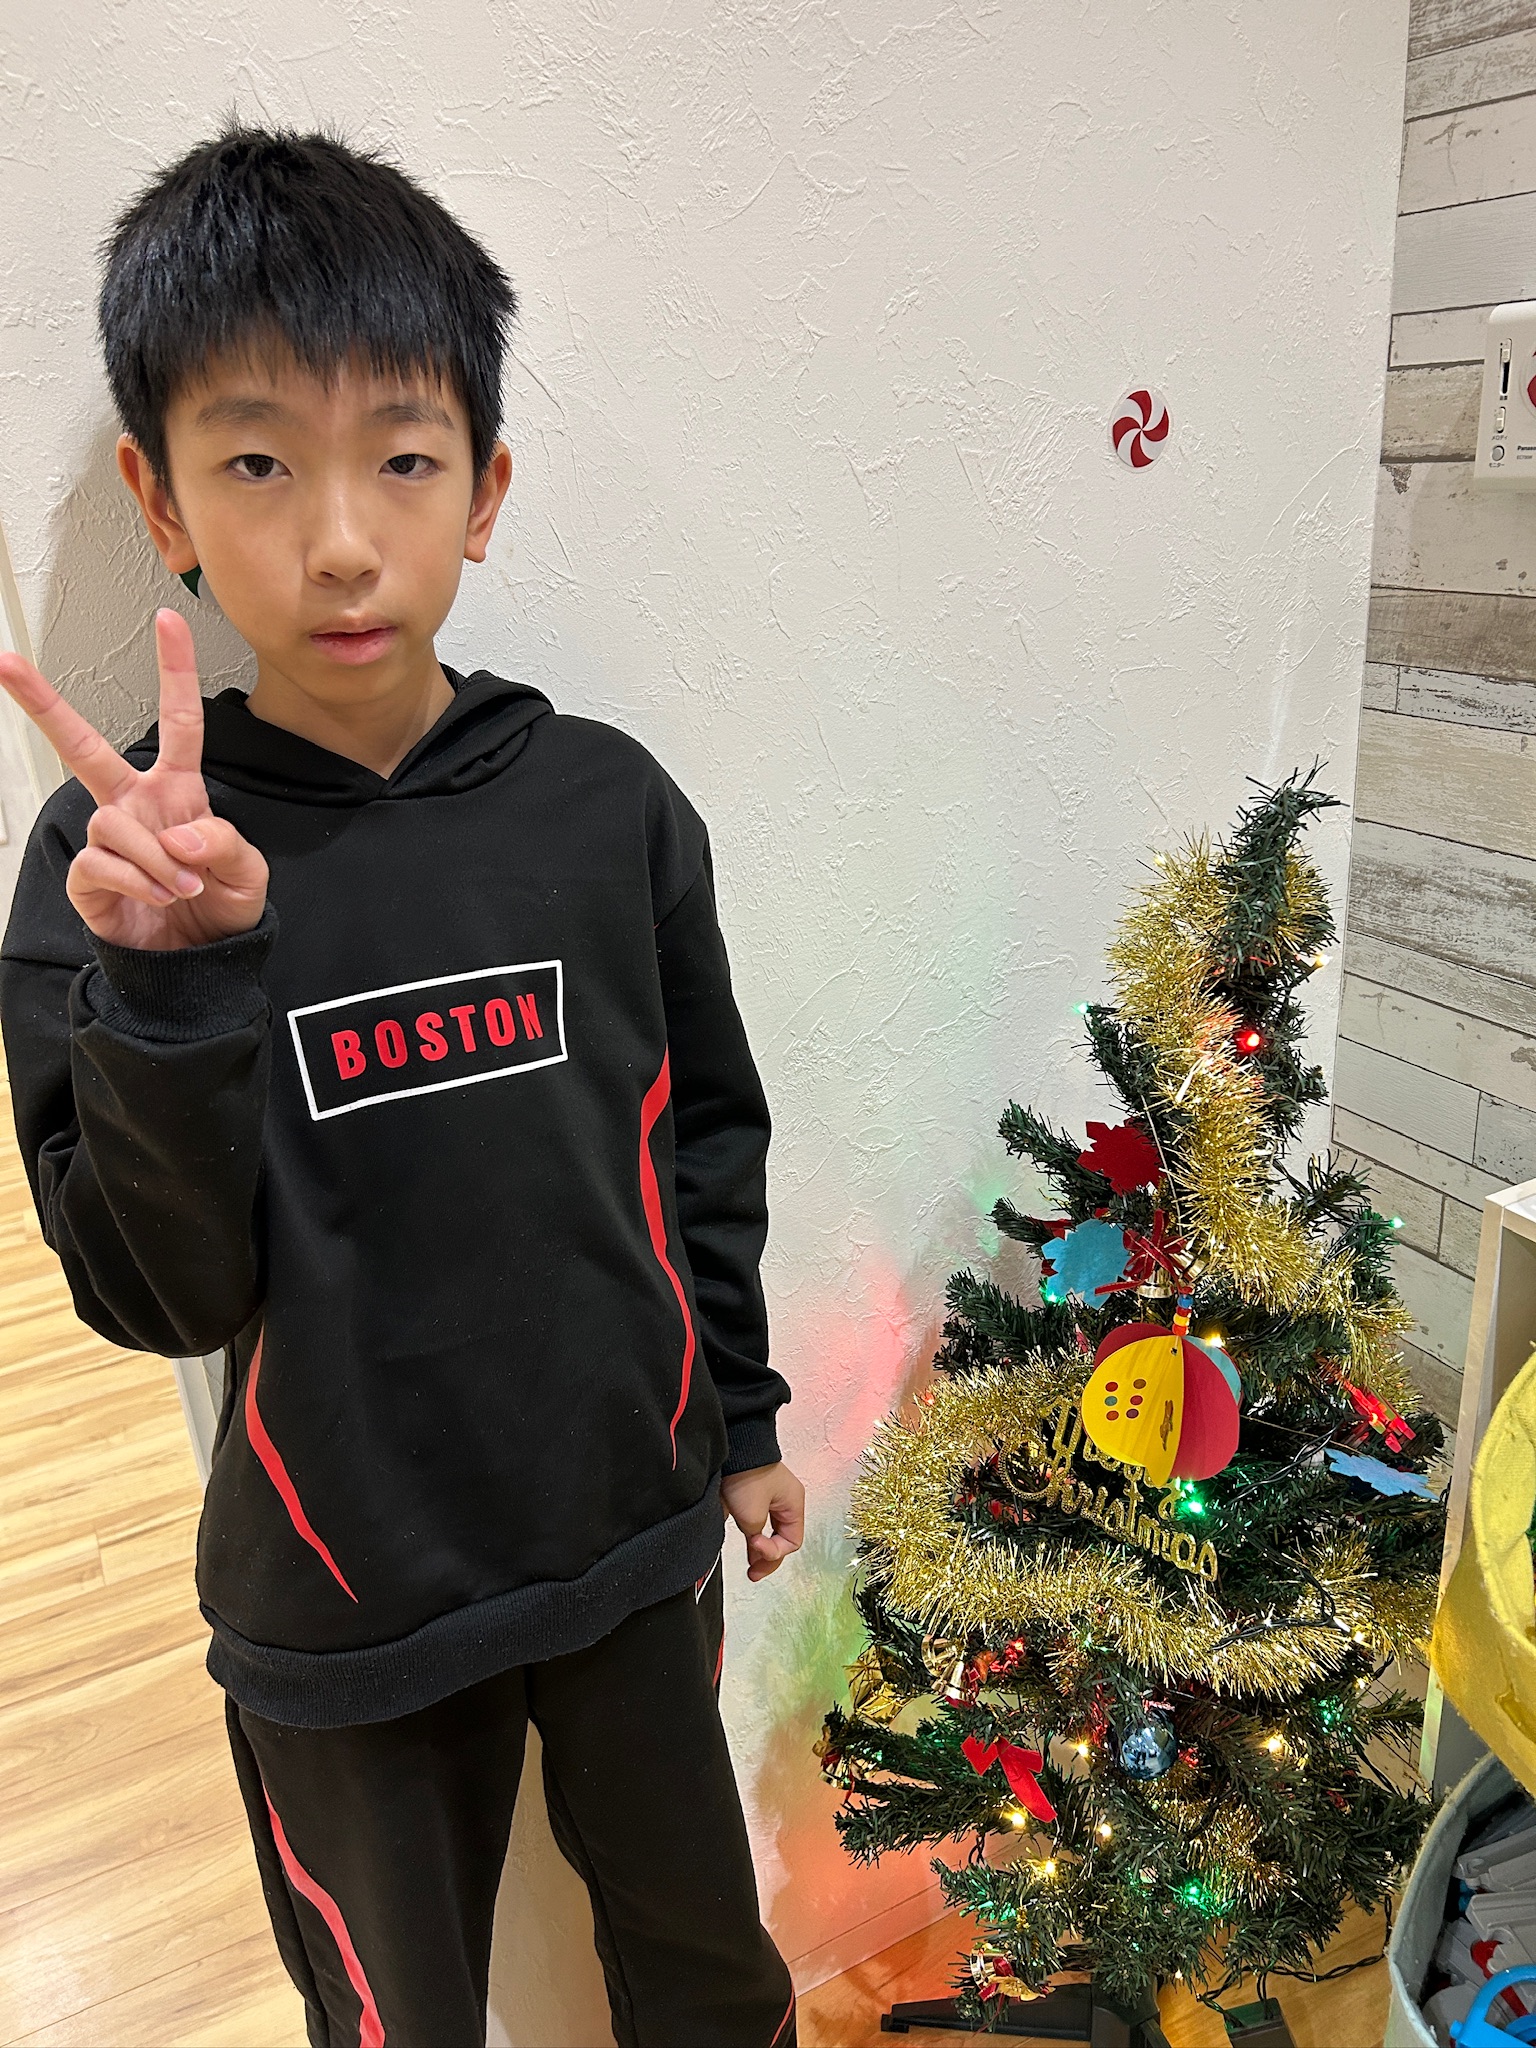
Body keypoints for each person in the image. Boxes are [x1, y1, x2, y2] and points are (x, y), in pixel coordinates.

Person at [0, 123, 804, 2048]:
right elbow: (156, 1297)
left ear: (485, 489)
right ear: (161, 495)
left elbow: (702, 1136)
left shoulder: (607, 806)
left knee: (709, 1973)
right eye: (259, 462)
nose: (343, 538)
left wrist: (742, 1419)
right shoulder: (110, 872)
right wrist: (172, 990)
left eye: (405, 458)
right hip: (337, 1604)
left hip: (632, 1541)